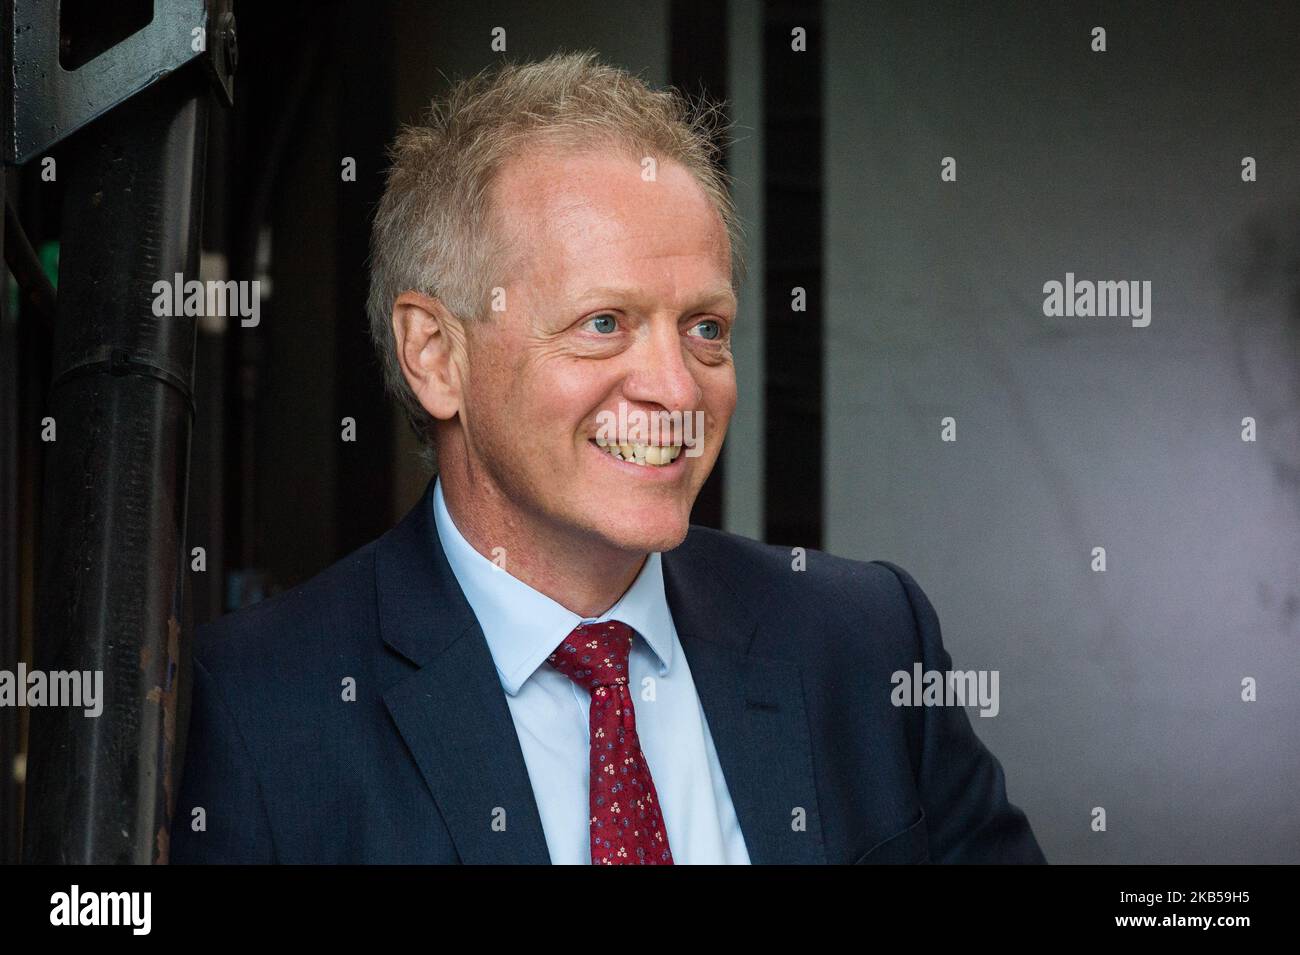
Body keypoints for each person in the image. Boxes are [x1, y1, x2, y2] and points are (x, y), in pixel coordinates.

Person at [170, 52, 1045, 865]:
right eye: (604, 324)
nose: (675, 387)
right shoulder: (259, 709)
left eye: (705, 327)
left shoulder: (865, 641)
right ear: (435, 354)